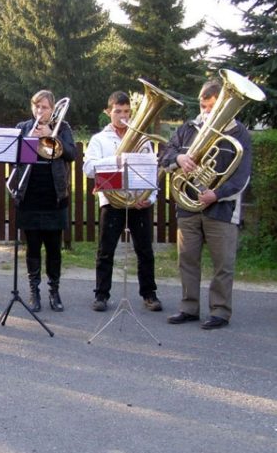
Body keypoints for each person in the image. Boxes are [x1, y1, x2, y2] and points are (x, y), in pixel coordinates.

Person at [160, 79, 252, 329]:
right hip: (188, 206)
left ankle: (220, 311)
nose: (206, 111)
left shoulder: (238, 133)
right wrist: (179, 158)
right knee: (187, 259)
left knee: (223, 263)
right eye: (203, 106)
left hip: (220, 208)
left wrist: (217, 193)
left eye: (212, 107)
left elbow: (243, 176)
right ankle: (189, 307)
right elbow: (165, 155)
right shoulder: (188, 128)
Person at [83, 91, 163, 312]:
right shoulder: (99, 139)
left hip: (139, 203)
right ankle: (101, 295)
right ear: (108, 112)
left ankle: (149, 294)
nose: (123, 116)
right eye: (118, 111)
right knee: (106, 251)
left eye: (127, 111)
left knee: (145, 250)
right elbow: (88, 169)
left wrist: (150, 198)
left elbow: (151, 171)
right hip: (112, 202)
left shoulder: (142, 139)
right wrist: (116, 159)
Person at [14, 90, 77, 312]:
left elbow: (71, 154)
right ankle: (34, 291)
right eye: (37, 106)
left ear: (53, 110)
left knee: (53, 248)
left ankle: (54, 291)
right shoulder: (23, 128)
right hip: (30, 195)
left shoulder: (63, 128)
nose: (40, 111)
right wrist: (30, 139)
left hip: (54, 195)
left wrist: (52, 135)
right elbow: (15, 158)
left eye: (45, 107)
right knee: (32, 247)